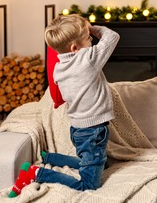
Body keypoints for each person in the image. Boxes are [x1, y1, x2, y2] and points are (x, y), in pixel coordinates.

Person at [8, 14, 120, 197]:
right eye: (87, 38)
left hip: (78, 128)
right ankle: (37, 173)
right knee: (88, 184)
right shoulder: (88, 59)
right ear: (75, 47)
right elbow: (113, 37)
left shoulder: (59, 68)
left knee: (93, 161)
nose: (91, 39)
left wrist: (82, 31)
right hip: (93, 131)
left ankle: (48, 158)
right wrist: (92, 28)